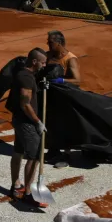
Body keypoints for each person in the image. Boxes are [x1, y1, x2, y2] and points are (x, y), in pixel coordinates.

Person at [7, 47, 48, 206]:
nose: (44, 66)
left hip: (19, 120)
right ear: (34, 61)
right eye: (43, 63)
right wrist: (37, 121)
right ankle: (29, 194)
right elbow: (25, 103)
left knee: (18, 151)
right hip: (27, 123)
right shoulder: (26, 78)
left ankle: (16, 185)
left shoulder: (26, 75)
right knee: (35, 155)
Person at [45, 30, 80, 168]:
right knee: (50, 123)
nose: (48, 44)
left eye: (50, 42)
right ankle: (53, 150)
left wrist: (60, 80)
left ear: (59, 43)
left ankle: (66, 155)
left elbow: (77, 80)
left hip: (66, 98)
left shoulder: (70, 59)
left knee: (65, 126)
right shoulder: (48, 56)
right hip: (51, 96)